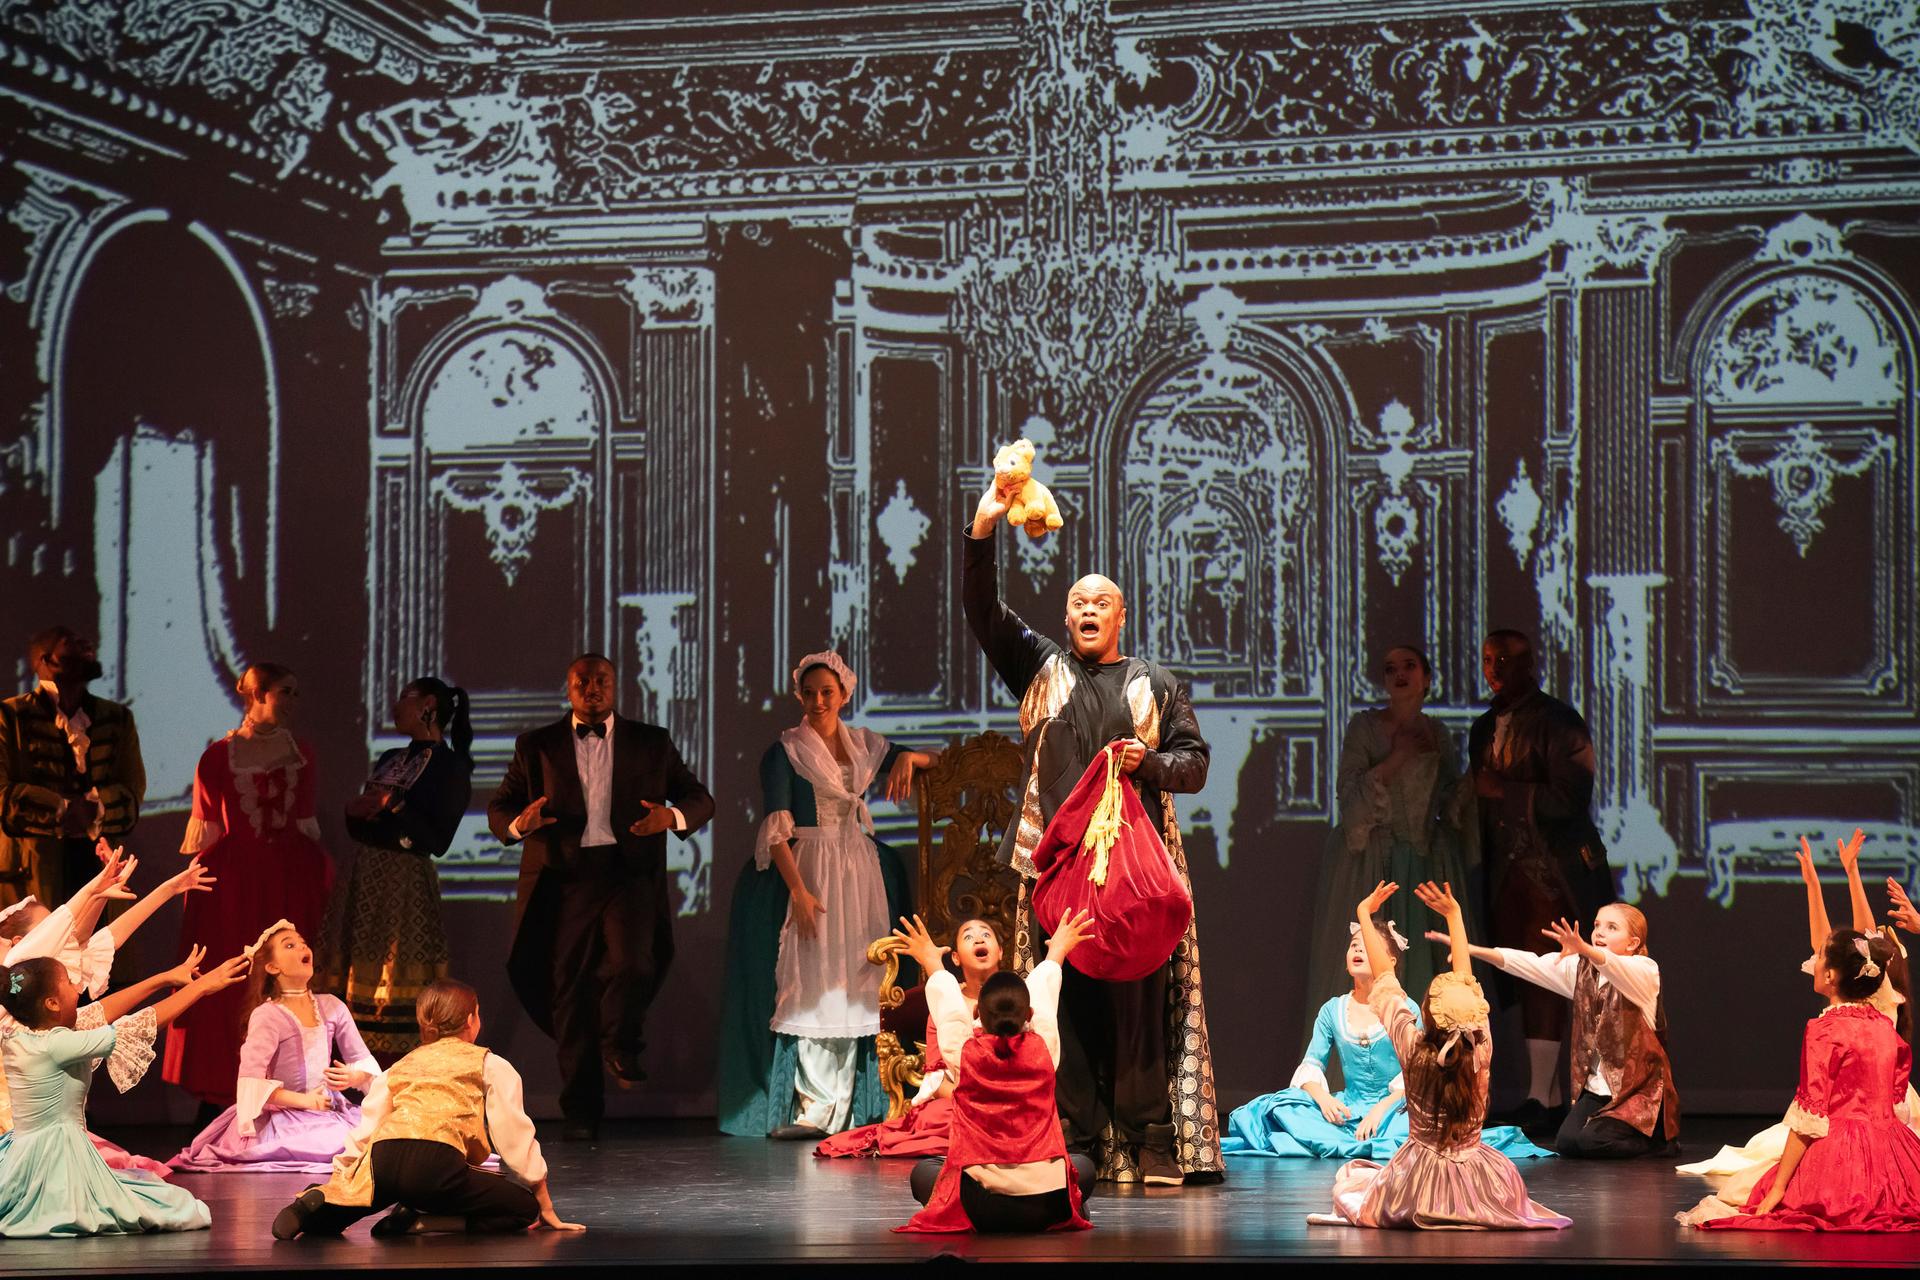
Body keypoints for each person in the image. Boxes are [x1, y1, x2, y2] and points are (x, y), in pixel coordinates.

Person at [961, 477, 1220, 1185]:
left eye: (1100, 602)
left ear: (1121, 617)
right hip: (1058, 869)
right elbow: (982, 610)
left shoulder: (1155, 683)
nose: (1086, 610)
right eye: (1077, 602)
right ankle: (1074, 1140)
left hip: (1135, 872)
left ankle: (1151, 1139)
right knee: (1065, 1002)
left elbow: (1195, 765)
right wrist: (984, 525)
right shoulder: (1041, 669)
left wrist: (1149, 762)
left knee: (1139, 1005)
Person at [489, 653, 715, 1140]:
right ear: (569, 687)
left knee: (634, 963)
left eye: (601, 680)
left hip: (626, 874)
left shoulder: (651, 742)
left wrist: (671, 817)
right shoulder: (537, 745)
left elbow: (700, 798)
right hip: (564, 879)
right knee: (569, 997)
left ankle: (621, 1042)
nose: (592, 688)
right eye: (582, 681)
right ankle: (581, 1112)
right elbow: (501, 806)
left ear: (615, 685)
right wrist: (518, 824)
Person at [716, 651, 935, 1139]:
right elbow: (777, 829)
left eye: (827, 692)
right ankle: (814, 1106)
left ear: (844, 695)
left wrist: (909, 757)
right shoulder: (786, 751)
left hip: (858, 866)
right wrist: (798, 890)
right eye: (810, 692)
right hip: (812, 864)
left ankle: (859, 1105)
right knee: (814, 980)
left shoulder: (864, 744)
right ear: (799, 695)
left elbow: (936, 759)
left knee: (859, 977)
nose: (818, 701)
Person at [1309, 880, 1569, 1231]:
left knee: (1355, 1182)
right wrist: (1454, 916)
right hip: (1478, 1176)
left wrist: (1364, 914)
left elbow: (1385, 978)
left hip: (1419, 1179)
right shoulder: (1479, 1047)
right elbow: (1465, 978)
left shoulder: (1413, 1048)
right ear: (1474, 1016)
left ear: (1427, 1014)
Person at [1680, 832, 1917, 1198]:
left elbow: (1861, 936)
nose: (1818, 961)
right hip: (1851, 1111)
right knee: (1775, 1146)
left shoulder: (1867, 1008)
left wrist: (1851, 873)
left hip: (1867, 1108)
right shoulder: (1859, 1009)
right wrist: (1815, 884)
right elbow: (1831, 944)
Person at [270, 978, 583, 1239]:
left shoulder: (401, 1066)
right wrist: (542, 1201)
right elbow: (511, 1133)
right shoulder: (489, 1064)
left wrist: (342, 1179)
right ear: (471, 1020)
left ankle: (315, 1207)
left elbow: (368, 1126)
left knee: (351, 1204)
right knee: (523, 1208)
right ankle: (424, 1222)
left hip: (383, 1158)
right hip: (436, 1165)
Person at [1227, 919, 1551, 1161]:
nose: (1357, 949)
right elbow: (1312, 1064)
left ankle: (1365, 1138)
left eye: (1365, 946)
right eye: (1353, 945)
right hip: (1349, 1107)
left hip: (1397, 1108)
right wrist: (1324, 1100)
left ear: (1389, 962)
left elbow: (1417, 1075)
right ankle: (1346, 1135)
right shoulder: (1332, 1010)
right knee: (1283, 1106)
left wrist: (1380, 1110)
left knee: (1413, 1128)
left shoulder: (1404, 1009)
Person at [165, 662, 333, 1115]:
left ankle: (292, 1086)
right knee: (233, 976)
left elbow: (303, 819)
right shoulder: (218, 757)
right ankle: (224, 1089)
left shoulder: (302, 753)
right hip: (235, 886)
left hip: (290, 877)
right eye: (285, 692)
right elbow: (208, 830)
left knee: (289, 975)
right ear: (258, 693)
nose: (294, 701)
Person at [0, 945, 251, 1237]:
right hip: (57, 1155)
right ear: (52, 1004)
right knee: (171, 1204)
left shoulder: (18, 1036)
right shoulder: (58, 1045)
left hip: (23, 1153)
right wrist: (202, 987)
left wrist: (165, 978)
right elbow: (138, 1026)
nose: (77, 987)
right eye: (69, 982)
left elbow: (100, 1013)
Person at [1679, 929, 1920, 1231]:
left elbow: (1809, 1117)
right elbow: (1897, 1101)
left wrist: (1780, 1186)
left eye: (1819, 956)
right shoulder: (1884, 1026)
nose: (1812, 963)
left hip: (1842, 1154)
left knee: (1743, 1191)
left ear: (1830, 975)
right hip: (1891, 1151)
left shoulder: (1825, 1029)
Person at [1467, 629, 1611, 1119]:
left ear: (1529, 664)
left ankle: (1549, 1095)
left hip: (1554, 871)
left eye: (1505, 659)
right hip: (1505, 873)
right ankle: (1540, 1094)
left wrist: (1504, 793)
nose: (1494, 669)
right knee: (1520, 973)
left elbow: (1570, 797)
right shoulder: (1483, 728)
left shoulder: (1559, 721)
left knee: (1551, 973)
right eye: (1488, 659)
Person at [2, 847, 214, 1176]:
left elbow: (93, 940)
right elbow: (68, 933)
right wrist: (93, 891)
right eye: (49, 928)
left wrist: (164, 890)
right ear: (20, 941)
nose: (61, 933)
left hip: (49, 1137)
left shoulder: (41, 1007)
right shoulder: (14, 994)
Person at [1304, 647, 1476, 1033]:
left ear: (1426, 677)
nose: (1399, 674)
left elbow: (1448, 800)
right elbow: (1349, 798)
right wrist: (1398, 757)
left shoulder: (1438, 733)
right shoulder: (1365, 727)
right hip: (1371, 859)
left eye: (1409, 666)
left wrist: (1476, 780)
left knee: (1422, 963)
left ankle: (1419, 1055)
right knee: (1369, 957)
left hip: (1423, 861)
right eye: (1390, 668)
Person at [897, 910, 1097, 1234]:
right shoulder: (1044, 1050)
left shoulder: (966, 1054)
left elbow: (950, 1013)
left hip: (983, 1208)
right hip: (1044, 1205)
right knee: (1084, 1167)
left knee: (925, 1172)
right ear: (1028, 1014)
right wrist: (1057, 951)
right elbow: (1044, 998)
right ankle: (1060, 1212)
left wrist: (932, 962)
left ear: (977, 1013)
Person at [1446, 903, 1679, 1157]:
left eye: (1612, 927)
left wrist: (1585, 949)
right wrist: (1470, 949)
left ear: (1633, 943)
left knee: (1592, 1141)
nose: (1600, 932)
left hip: (1638, 1093)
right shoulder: (1581, 968)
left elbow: (1612, 965)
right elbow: (1531, 964)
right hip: (1599, 1091)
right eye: (1597, 925)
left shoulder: (1644, 971)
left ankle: (1658, 1143)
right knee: (1567, 1141)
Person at [319, 677, 474, 1058]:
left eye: (405, 698)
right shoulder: (391, 757)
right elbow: (364, 823)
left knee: (393, 976)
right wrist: (355, 811)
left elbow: (437, 841)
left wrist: (395, 806)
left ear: (428, 706)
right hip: (364, 874)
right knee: (352, 970)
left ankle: (394, 1065)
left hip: (403, 884)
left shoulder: (451, 766)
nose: (395, 706)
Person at [170, 922, 382, 1172]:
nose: (302, 947)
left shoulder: (332, 1006)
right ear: (272, 967)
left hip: (328, 1108)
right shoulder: (268, 1015)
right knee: (339, 1145)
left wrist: (354, 1077)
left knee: (376, 1136)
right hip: (285, 1115)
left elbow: (362, 1060)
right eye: (289, 945)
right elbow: (252, 1084)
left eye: (302, 943)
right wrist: (306, 1101)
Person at [815, 918, 1006, 1160]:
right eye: (968, 936)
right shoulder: (943, 1004)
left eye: (986, 935)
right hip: (962, 1099)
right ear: (956, 958)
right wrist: (971, 1100)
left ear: (1001, 951)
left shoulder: (1020, 996)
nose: (978, 939)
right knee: (937, 1117)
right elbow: (937, 1077)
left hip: (1009, 1096)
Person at [0, 626, 146, 911]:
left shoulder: (117, 718)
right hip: (30, 870)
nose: (86, 647)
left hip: (95, 863)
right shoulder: (9, 716)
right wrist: (62, 809)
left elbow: (133, 788)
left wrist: (95, 807)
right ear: (45, 660)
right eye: (71, 643)